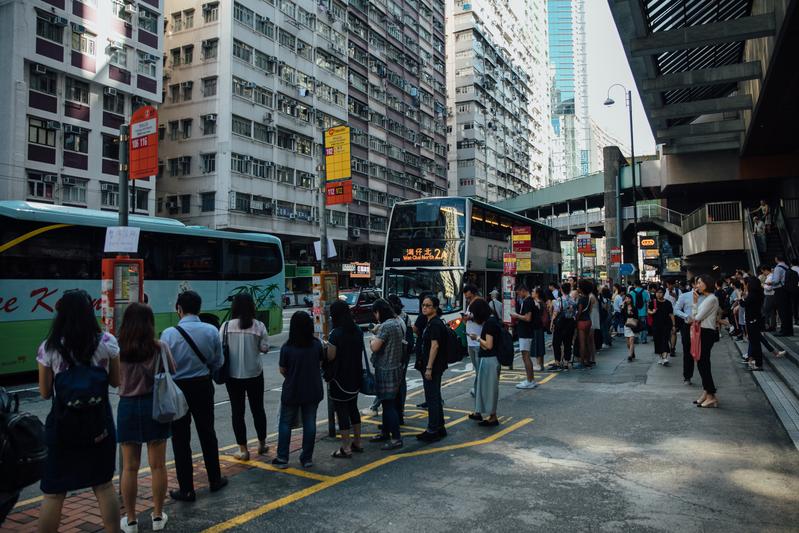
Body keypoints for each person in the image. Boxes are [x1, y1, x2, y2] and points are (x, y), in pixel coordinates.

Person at [36, 290, 121, 533]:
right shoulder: (106, 342)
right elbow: (116, 381)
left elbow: (44, 392)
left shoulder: (49, 347)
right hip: (99, 425)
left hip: (62, 427)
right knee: (103, 486)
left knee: (53, 493)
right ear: (89, 312)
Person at [160, 291, 226, 502]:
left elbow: (164, 366)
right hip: (203, 386)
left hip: (178, 389)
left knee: (180, 438)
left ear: (179, 308)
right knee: (207, 432)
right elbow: (218, 361)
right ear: (199, 308)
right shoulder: (210, 330)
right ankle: (215, 479)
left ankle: (186, 489)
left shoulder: (168, 334)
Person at [117, 303, 175, 533]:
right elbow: (173, 370)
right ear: (150, 323)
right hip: (156, 406)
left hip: (128, 407)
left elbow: (112, 379)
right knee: (158, 465)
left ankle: (130, 520)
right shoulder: (159, 347)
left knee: (129, 468)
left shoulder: (117, 347)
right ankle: (158, 516)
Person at [219, 293, 270, 461]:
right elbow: (264, 348)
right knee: (258, 409)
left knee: (237, 411)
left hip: (233, 376)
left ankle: (243, 450)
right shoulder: (259, 326)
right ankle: (262, 444)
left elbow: (220, 350)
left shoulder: (226, 326)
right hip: (254, 373)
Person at [273, 311, 323, 468]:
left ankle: (282, 457)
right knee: (310, 422)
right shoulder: (316, 345)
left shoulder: (287, 348)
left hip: (292, 389)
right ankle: (306, 458)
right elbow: (320, 364)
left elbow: (283, 370)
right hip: (313, 389)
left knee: (286, 422)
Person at [326, 300, 364, 458]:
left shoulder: (336, 333)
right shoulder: (357, 330)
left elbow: (331, 356)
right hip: (355, 376)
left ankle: (345, 448)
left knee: (341, 411)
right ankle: (357, 442)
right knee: (353, 408)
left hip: (339, 379)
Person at [368, 299, 405, 450]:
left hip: (386, 370)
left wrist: (372, 340)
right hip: (396, 368)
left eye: (375, 313)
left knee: (388, 405)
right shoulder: (396, 323)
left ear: (379, 312)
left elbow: (375, 347)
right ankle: (385, 432)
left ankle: (396, 438)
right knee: (388, 403)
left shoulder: (386, 326)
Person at [416, 295, 448, 441]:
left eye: (428, 305)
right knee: (435, 396)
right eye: (423, 305)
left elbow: (434, 346)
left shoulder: (434, 324)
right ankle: (440, 427)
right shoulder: (431, 322)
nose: (424, 307)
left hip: (433, 367)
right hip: (435, 366)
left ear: (435, 308)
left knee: (432, 398)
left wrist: (428, 367)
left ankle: (432, 430)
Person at [467, 298, 501, 426]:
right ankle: (490, 415)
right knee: (488, 388)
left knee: (489, 389)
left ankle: (493, 418)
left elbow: (488, 345)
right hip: (491, 359)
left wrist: (476, 338)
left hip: (490, 359)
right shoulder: (492, 320)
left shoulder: (489, 324)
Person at [692, 275, 721, 409]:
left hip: (706, 333)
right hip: (704, 332)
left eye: (699, 283)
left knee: (703, 363)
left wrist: (694, 303)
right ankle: (707, 392)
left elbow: (696, 317)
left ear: (706, 283)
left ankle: (711, 395)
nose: (697, 285)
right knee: (702, 362)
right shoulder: (708, 298)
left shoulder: (711, 299)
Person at [387, 294, 413, 425]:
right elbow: (410, 338)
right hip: (404, 354)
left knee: (392, 385)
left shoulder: (390, 320)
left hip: (394, 355)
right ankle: (400, 411)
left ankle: (393, 415)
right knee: (401, 382)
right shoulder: (406, 317)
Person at [510, 285, 537, 388]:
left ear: (523, 291)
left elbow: (528, 318)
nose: (518, 295)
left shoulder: (527, 301)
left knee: (525, 356)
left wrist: (516, 315)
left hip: (525, 332)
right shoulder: (529, 301)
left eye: (518, 293)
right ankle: (531, 379)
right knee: (526, 356)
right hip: (526, 331)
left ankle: (529, 380)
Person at [674, 281, 697, 385]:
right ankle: (687, 376)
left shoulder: (707, 297)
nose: (700, 285)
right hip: (688, 326)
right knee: (687, 351)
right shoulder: (685, 296)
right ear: (693, 284)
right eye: (698, 283)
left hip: (702, 326)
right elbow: (676, 310)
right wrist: (686, 316)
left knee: (702, 353)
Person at [549, 282, 576, 371]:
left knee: (556, 342)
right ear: (569, 290)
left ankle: (557, 362)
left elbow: (555, 313)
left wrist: (552, 323)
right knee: (567, 343)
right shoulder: (573, 300)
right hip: (570, 323)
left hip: (560, 324)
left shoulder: (559, 300)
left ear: (561, 290)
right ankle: (566, 362)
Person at [462, 284, 483, 397]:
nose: (468, 300)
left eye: (469, 297)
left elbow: (482, 321)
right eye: (466, 298)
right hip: (471, 342)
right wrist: (465, 319)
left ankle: (479, 390)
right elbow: (467, 322)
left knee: (480, 369)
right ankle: (478, 389)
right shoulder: (470, 305)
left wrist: (472, 318)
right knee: (477, 369)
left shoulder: (480, 304)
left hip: (478, 341)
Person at [648, 287, 675, 366]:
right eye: (657, 292)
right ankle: (661, 357)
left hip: (666, 324)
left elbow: (671, 314)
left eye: (660, 292)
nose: (658, 294)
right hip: (656, 325)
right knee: (658, 341)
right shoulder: (653, 302)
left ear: (663, 293)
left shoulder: (668, 303)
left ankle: (665, 357)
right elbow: (648, 311)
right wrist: (652, 312)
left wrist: (673, 325)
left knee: (665, 340)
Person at [772, 255, 794, 336]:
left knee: (782, 311)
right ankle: (789, 330)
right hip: (786, 290)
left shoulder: (778, 268)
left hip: (780, 291)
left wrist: (771, 282)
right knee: (787, 310)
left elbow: (776, 280)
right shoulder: (787, 266)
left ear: (776, 258)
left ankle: (784, 331)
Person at [574, 280, 593, 369]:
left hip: (581, 322)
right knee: (587, 342)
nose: (577, 288)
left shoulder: (581, 299)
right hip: (588, 321)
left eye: (579, 287)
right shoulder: (589, 297)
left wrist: (576, 319)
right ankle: (588, 360)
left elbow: (580, 311)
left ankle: (582, 362)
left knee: (582, 343)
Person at [531, 287, 547, 372]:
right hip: (540, 326)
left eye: (533, 291)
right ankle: (541, 364)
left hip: (536, 326)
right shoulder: (542, 303)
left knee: (537, 345)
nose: (532, 292)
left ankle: (538, 364)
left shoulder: (537, 303)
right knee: (540, 344)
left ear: (537, 294)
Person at [630, 280, 650, 344]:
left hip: (634, 312)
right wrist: (647, 311)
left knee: (634, 325)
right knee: (643, 326)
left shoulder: (631, 292)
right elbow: (647, 302)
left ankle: (635, 339)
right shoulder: (645, 292)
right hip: (643, 312)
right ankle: (643, 339)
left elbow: (630, 303)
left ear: (635, 285)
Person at [664, 280, 680, 357]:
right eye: (668, 284)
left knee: (673, 332)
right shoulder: (663, 291)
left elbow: (681, 302)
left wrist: (675, 296)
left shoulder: (678, 291)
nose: (670, 286)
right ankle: (667, 347)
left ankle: (672, 348)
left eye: (671, 285)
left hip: (674, 314)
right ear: (667, 284)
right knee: (667, 332)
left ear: (674, 285)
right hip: (665, 315)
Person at [620, 294, 638, 362]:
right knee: (628, 344)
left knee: (631, 340)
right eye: (626, 298)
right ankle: (632, 352)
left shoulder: (634, 307)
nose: (627, 300)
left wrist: (632, 314)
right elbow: (621, 315)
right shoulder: (624, 307)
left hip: (632, 326)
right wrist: (623, 306)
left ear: (631, 299)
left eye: (629, 298)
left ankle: (630, 356)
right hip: (626, 325)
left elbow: (636, 316)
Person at [761, 266, 777, 332]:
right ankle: (772, 326)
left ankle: (768, 326)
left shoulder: (770, 277)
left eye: (763, 271)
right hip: (770, 295)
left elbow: (769, 288)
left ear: (766, 270)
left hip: (769, 296)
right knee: (771, 312)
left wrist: (762, 285)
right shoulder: (769, 276)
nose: (763, 273)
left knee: (766, 311)